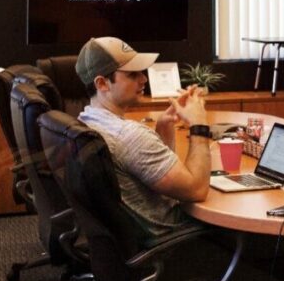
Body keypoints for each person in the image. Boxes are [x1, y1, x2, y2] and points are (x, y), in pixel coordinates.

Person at [75, 36, 214, 241]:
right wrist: (199, 125)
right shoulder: (129, 136)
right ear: (102, 83)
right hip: (176, 241)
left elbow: (152, 174)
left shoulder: (85, 121)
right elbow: (197, 190)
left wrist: (164, 127)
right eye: (133, 74)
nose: (144, 79)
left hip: (130, 242)